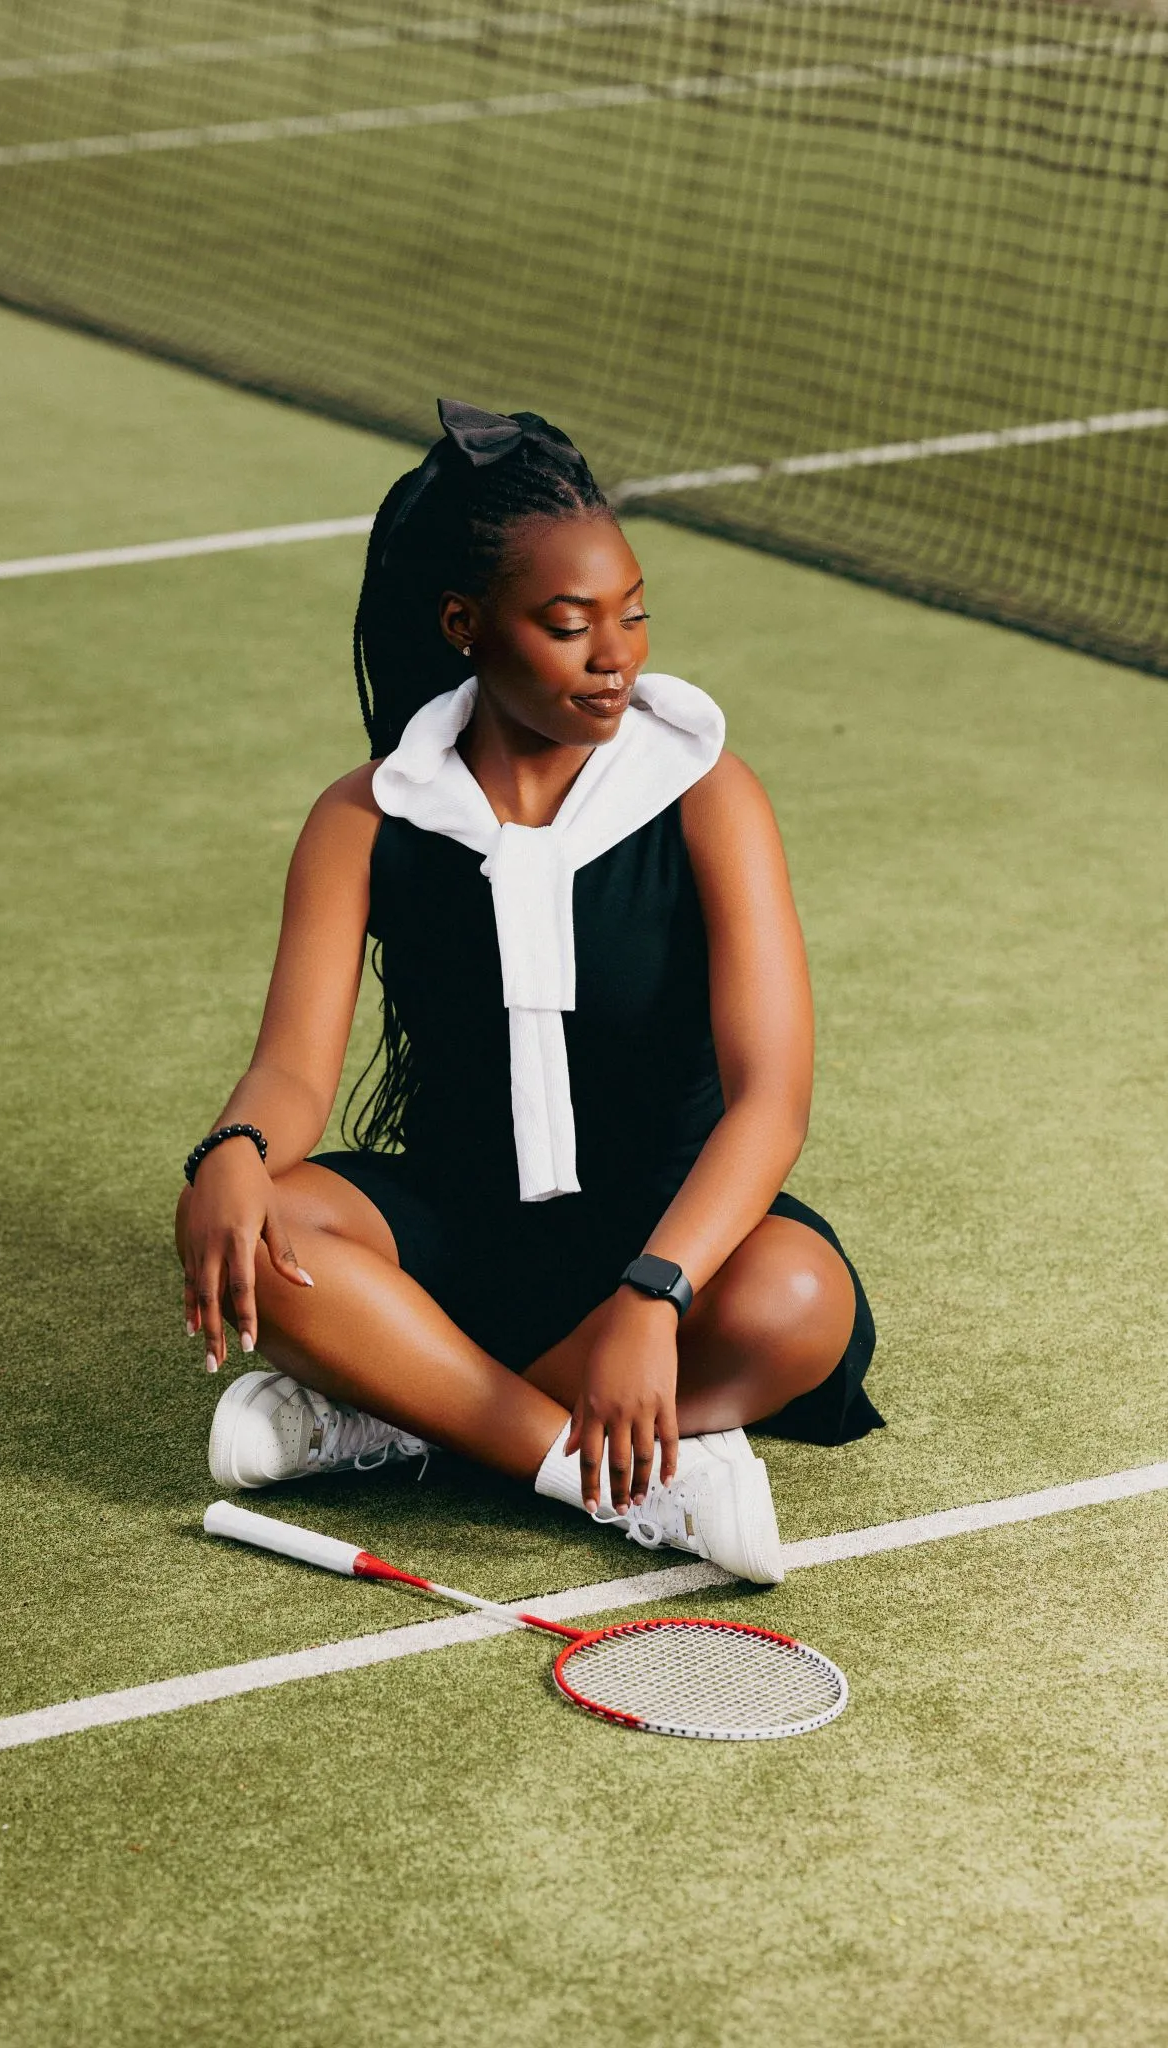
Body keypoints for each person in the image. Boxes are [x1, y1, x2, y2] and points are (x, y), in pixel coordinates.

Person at [176, 399, 881, 1584]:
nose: (619, 655)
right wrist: (232, 1149)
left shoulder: (708, 795)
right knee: (272, 1229)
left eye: (634, 612)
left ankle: (395, 1411)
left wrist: (655, 1297)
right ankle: (603, 1470)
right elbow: (294, 1070)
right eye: (569, 625)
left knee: (802, 1298)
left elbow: (772, 1099)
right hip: (455, 1227)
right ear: (468, 624)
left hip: (668, 1235)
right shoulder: (366, 816)